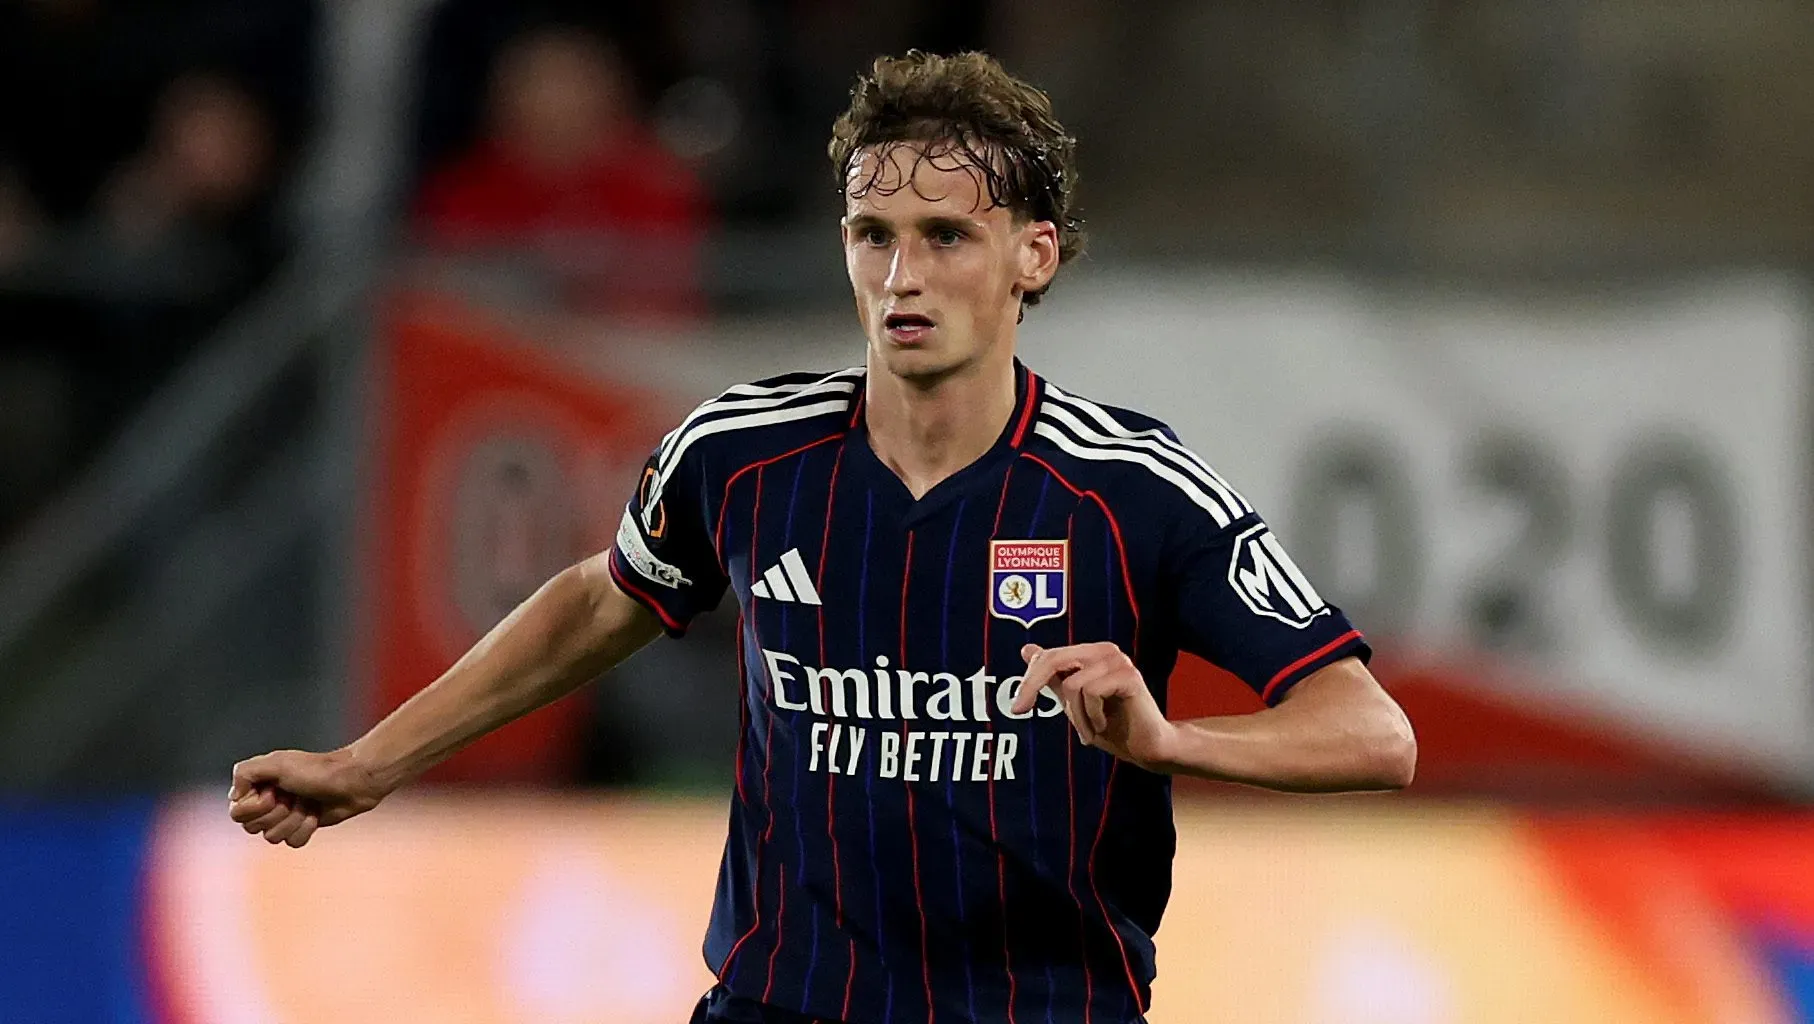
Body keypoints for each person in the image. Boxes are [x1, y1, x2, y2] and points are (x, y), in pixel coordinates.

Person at [230, 50, 1416, 1024]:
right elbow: (603, 598)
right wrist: (367, 763)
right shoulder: (739, 452)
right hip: (779, 1005)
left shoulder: (1131, 488)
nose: (902, 273)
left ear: (1031, 257)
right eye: (871, 233)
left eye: (946, 235)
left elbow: (1370, 735)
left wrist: (1164, 742)